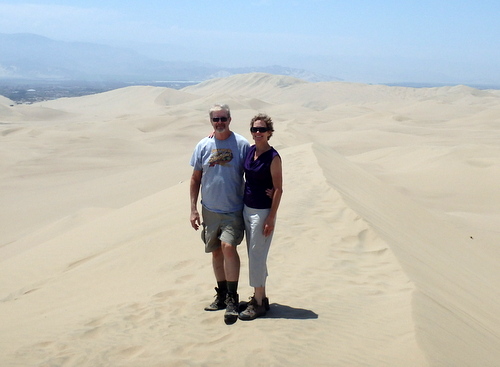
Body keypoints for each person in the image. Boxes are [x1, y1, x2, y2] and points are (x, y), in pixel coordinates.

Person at [190, 104, 250, 325]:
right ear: (211, 121)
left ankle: (233, 299)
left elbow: (253, 172)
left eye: (223, 118)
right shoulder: (204, 145)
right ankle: (222, 296)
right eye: (215, 119)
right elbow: (195, 178)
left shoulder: (242, 144)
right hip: (210, 211)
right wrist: (193, 208)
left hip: (233, 210)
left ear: (230, 119)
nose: (219, 123)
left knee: (228, 248)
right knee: (216, 252)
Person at [239, 113, 283, 321]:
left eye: (262, 130)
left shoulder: (273, 158)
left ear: (269, 133)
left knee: (257, 255)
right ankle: (261, 297)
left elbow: (278, 189)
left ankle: (257, 304)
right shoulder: (249, 151)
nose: (258, 133)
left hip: (262, 213)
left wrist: (271, 218)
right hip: (247, 209)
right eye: (254, 129)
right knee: (255, 254)